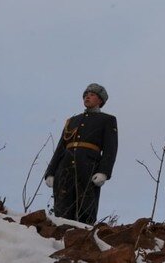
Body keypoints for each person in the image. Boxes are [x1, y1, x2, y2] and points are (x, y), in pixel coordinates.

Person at [44, 83, 118, 224]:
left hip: (88, 167)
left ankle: (83, 237)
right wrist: (50, 172)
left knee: (86, 207)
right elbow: (61, 147)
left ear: (100, 100)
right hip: (65, 167)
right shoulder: (72, 121)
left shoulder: (107, 120)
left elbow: (111, 148)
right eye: (85, 94)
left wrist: (104, 171)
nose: (87, 97)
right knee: (62, 207)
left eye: (92, 94)